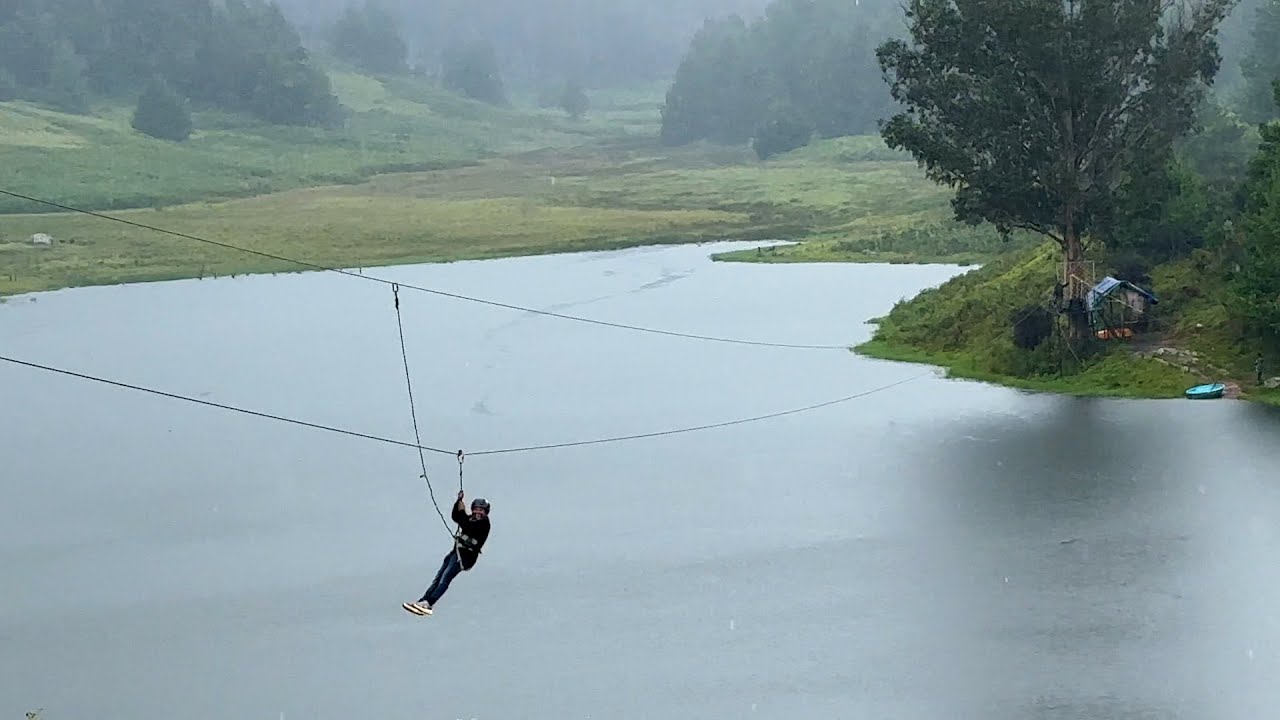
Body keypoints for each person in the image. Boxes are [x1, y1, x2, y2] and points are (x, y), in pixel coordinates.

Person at [404, 490, 490, 616]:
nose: (478, 512)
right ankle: (423, 601)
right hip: (456, 553)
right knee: (438, 578)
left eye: (481, 510)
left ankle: (429, 603)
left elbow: (467, 526)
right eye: (476, 509)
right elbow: (456, 517)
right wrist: (458, 502)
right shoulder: (470, 519)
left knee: (445, 579)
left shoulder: (484, 524)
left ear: (485, 512)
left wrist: (462, 510)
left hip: (465, 557)